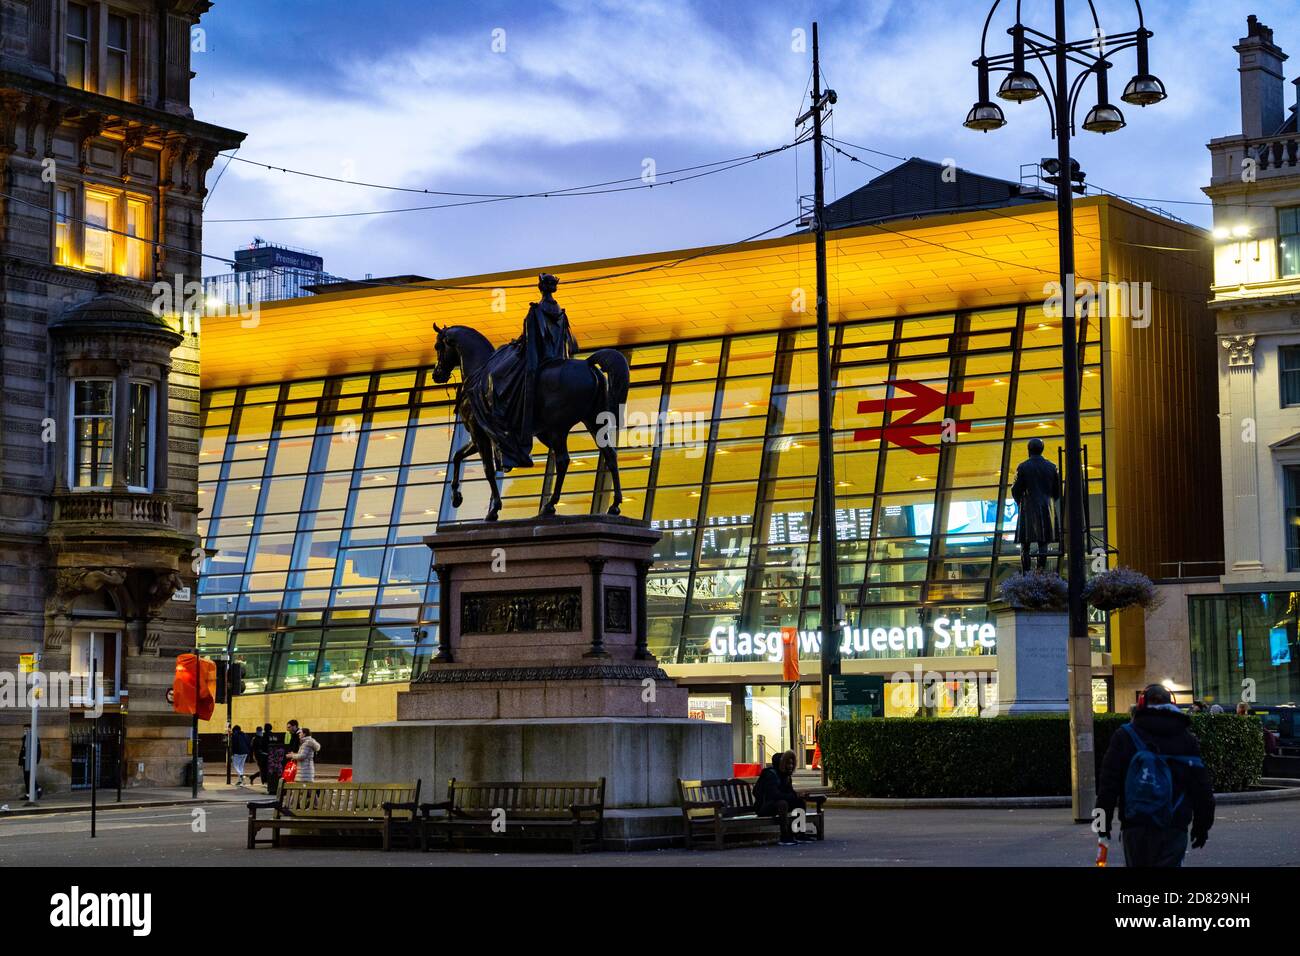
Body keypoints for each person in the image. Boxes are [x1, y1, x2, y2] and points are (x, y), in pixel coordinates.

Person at [1095, 683, 1215, 867]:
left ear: (1141, 704)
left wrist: (1102, 826)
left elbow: (1108, 786)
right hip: (1174, 823)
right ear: (1172, 704)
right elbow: (1201, 786)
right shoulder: (1186, 738)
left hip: (1136, 823)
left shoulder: (1125, 736)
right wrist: (1202, 825)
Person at [467, 273, 578, 469]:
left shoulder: (536, 309)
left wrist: (516, 343)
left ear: (541, 287)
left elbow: (528, 337)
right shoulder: (560, 312)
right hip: (553, 356)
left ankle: (504, 415)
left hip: (535, 357)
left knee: (498, 375)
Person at [1011, 438, 1061, 573]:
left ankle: (1026, 575)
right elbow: (1057, 491)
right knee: (1043, 542)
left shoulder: (1023, 467)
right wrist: (1049, 501)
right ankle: (1040, 572)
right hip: (1046, 508)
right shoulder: (1052, 467)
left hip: (1027, 509)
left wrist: (1020, 502)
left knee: (1025, 544)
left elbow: (1015, 490)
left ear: (1029, 450)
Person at [753, 750, 808, 846]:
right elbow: (774, 795)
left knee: (800, 802)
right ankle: (784, 836)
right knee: (782, 803)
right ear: (781, 764)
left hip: (778, 805)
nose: (790, 766)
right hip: (764, 807)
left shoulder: (786, 776)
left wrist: (798, 796)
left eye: (792, 763)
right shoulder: (770, 775)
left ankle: (799, 833)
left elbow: (789, 792)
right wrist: (793, 796)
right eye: (788, 763)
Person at [18, 725, 41, 798]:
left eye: (26, 729)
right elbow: (22, 751)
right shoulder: (25, 738)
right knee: (26, 777)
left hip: (30, 761)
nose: (25, 731)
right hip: (25, 761)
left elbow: (38, 751)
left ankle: (38, 788)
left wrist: (35, 761)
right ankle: (28, 794)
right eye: (24, 730)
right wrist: (21, 762)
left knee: (29, 776)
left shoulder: (34, 738)